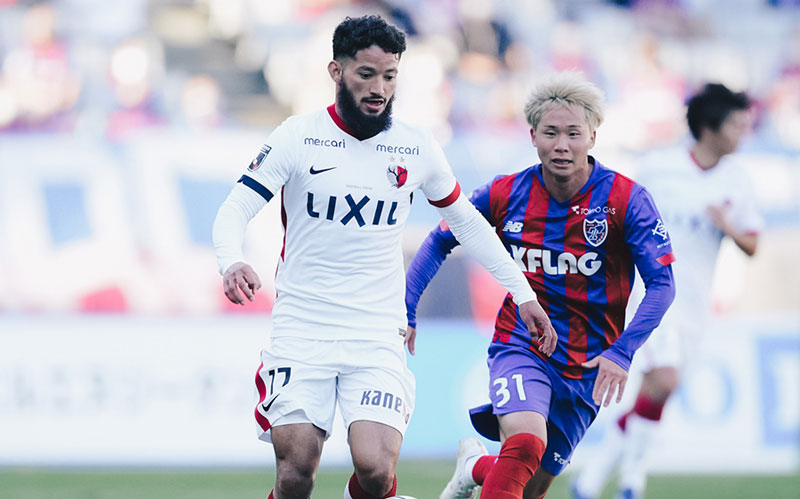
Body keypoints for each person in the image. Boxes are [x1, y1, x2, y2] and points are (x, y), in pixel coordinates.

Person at [212, 15, 556, 499]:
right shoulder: (297, 136)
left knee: (374, 470)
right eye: (366, 74)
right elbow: (235, 209)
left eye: (389, 75)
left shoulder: (414, 145)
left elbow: (467, 223)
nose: (379, 88)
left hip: (376, 331)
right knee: (296, 472)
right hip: (302, 328)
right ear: (336, 72)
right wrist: (231, 260)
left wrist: (522, 292)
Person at [404, 71, 677, 499]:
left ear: (593, 136)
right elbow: (439, 240)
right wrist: (407, 308)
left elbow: (663, 284)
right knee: (527, 441)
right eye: (551, 133)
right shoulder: (505, 193)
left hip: (589, 364)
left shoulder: (626, 199)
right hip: (523, 344)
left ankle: (476, 468)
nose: (562, 145)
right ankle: (484, 466)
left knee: (529, 490)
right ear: (532, 135)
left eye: (573, 133)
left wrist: (622, 352)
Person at [572, 83, 762, 499]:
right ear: (710, 127)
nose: (744, 132)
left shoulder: (738, 180)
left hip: (696, 302)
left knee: (657, 392)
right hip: (650, 293)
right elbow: (616, 216)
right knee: (666, 379)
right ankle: (631, 480)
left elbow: (752, 244)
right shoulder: (659, 168)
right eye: (736, 124)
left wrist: (726, 225)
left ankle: (598, 477)